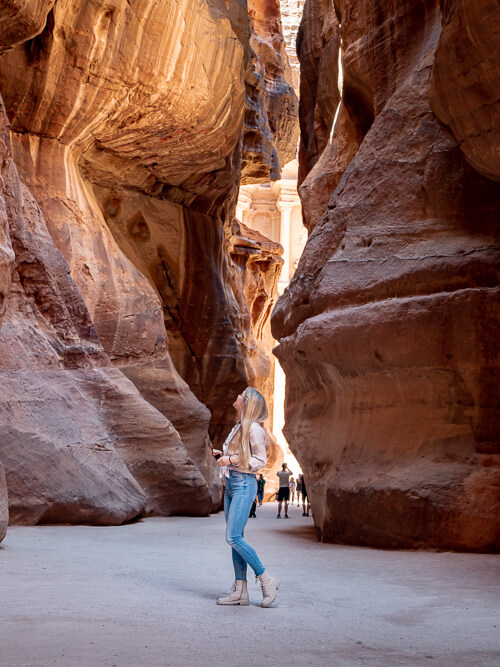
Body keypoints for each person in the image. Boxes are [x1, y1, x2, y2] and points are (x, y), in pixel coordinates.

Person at [212, 387, 280, 607]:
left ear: (247, 402)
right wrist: (224, 457)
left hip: (243, 484)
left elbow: (260, 461)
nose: (237, 396)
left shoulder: (254, 429)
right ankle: (240, 591)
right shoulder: (240, 426)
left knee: (233, 537)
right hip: (232, 484)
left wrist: (230, 460)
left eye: (241, 395)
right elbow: (240, 456)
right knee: (236, 539)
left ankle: (266, 579)